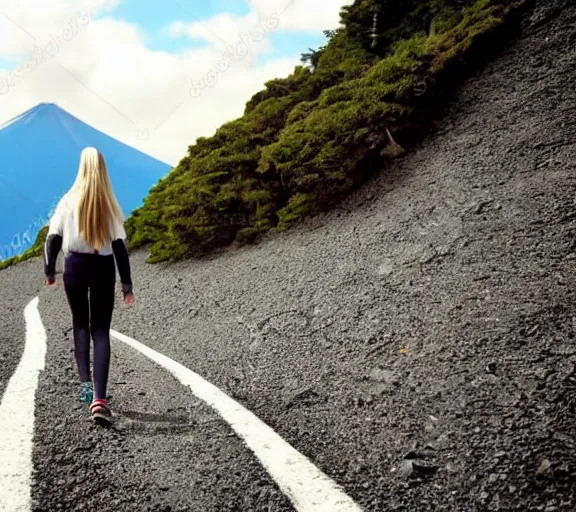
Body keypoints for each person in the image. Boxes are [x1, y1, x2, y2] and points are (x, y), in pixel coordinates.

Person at [43, 147, 135, 425]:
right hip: (103, 268)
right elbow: (119, 247)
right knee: (100, 330)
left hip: (75, 267)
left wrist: (50, 271)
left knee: (80, 325)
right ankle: (99, 398)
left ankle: (85, 387)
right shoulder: (108, 202)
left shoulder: (67, 200)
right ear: (102, 169)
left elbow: (52, 240)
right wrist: (127, 285)